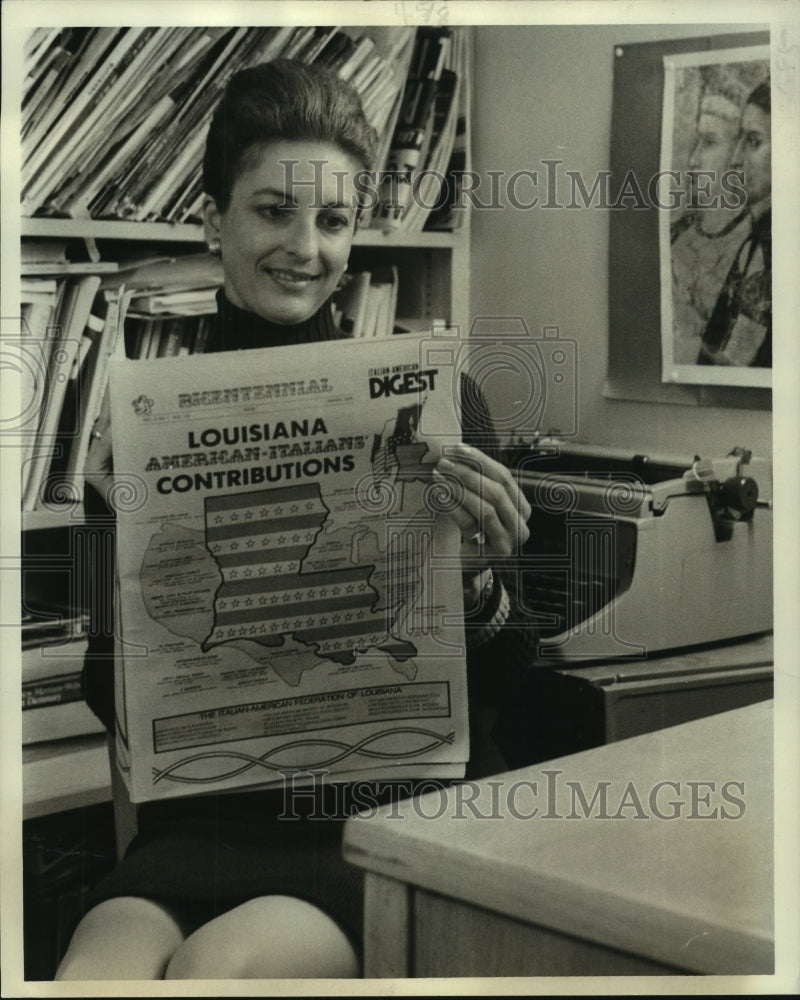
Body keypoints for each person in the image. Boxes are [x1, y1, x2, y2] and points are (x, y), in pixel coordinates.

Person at [56, 60, 537, 980]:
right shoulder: (137, 427)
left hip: (372, 819)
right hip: (202, 822)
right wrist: (114, 536)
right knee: (90, 979)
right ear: (214, 219)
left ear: (356, 236)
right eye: (274, 209)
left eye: (333, 220)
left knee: (212, 972)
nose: (305, 247)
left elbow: (506, 691)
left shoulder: (442, 404)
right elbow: (106, 693)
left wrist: (476, 583)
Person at [697, 79, 771, 367]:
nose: (737, 159)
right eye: (739, 139)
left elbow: (735, 370)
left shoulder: (771, 250)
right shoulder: (754, 242)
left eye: (754, 141)